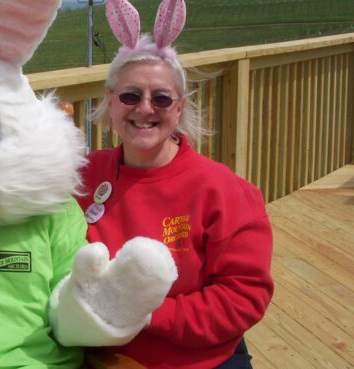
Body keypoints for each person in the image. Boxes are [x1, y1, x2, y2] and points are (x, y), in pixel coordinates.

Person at [77, 1, 274, 368]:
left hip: (198, 360)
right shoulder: (83, 176)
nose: (145, 108)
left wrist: (147, 314)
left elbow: (244, 297)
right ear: (110, 100)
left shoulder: (223, 190)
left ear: (179, 107)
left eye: (162, 98)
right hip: (100, 357)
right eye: (130, 96)